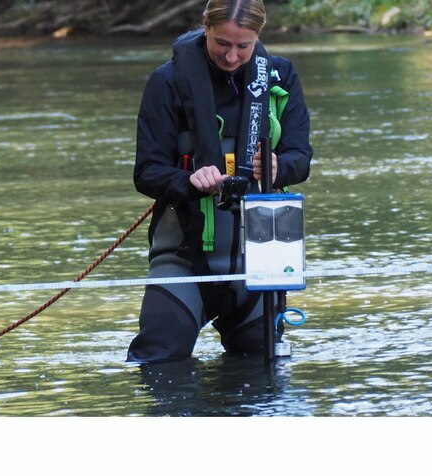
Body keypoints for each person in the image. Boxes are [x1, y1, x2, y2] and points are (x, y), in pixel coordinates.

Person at [127, 0, 313, 363]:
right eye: (222, 44)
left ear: (259, 36)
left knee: (262, 372)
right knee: (157, 362)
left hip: (258, 258)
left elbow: (300, 157)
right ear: (205, 27)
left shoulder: (282, 77)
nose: (231, 57)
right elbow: (146, 171)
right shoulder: (166, 82)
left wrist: (279, 166)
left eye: (243, 46)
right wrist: (188, 180)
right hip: (183, 257)